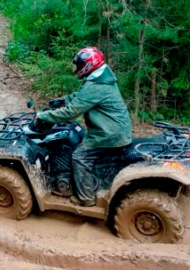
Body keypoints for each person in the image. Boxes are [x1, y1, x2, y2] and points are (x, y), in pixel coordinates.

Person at [37, 47, 132, 207]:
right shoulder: (101, 77)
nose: (77, 69)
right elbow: (82, 96)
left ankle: (86, 197)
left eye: (79, 65)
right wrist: (63, 100)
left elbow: (71, 112)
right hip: (116, 129)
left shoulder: (96, 85)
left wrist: (42, 116)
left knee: (79, 157)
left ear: (88, 65)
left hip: (110, 134)